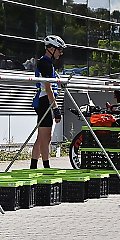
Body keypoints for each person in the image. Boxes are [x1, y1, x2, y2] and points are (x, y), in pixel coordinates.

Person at [30, 35, 65, 169]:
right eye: (59, 50)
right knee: (47, 137)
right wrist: (56, 109)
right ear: (50, 48)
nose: (60, 53)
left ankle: (33, 166)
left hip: (45, 101)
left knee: (41, 137)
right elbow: (48, 88)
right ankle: (46, 167)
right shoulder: (45, 63)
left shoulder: (48, 64)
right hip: (45, 101)